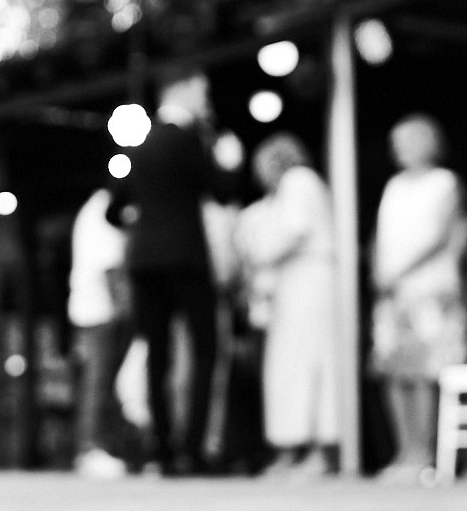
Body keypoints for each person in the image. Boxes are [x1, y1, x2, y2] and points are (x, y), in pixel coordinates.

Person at [106, 73, 241, 475]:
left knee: (157, 356)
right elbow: (222, 190)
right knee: (205, 350)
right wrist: (231, 160)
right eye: (202, 92)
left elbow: (112, 210)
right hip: (186, 259)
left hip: (145, 263)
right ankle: (193, 450)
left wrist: (144, 223)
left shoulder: (140, 144)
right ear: (180, 92)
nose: (206, 101)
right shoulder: (187, 139)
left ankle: (162, 449)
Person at [369, 115, 466, 483]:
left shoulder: (444, 182)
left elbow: (442, 234)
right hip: (392, 291)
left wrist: (400, 271)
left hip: (427, 287)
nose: (400, 149)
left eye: (408, 140)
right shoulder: (393, 185)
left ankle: (423, 452)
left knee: (424, 371)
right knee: (394, 370)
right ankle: (402, 450)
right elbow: (381, 234)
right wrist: (379, 270)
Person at [236, 133, 338, 478]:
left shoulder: (299, 180)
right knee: (288, 368)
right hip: (292, 287)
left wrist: (258, 256)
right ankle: (291, 447)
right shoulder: (282, 195)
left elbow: (294, 231)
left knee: (311, 364)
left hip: (308, 283)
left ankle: (319, 448)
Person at [67, 187, 130, 479]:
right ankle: (90, 448)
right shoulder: (103, 210)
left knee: (98, 382)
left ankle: (98, 447)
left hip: (88, 308)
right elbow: (111, 267)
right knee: (99, 382)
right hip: (100, 311)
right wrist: (126, 312)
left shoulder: (91, 208)